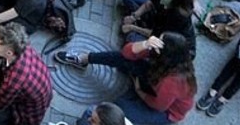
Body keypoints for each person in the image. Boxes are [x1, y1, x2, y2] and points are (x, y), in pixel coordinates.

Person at [56, 33, 196, 124]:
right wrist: (145, 44)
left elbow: (158, 105)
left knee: (118, 108)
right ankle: (84, 58)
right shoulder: (162, 54)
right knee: (126, 55)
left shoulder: (173, 81)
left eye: (159, 40)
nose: (155, 40)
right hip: (153, 82)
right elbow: (126, 53)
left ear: (165, 52)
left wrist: (139, 90)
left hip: (164, 111)